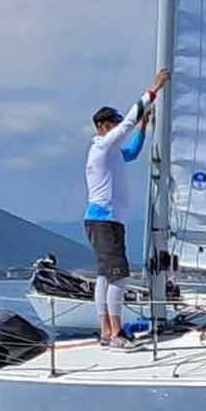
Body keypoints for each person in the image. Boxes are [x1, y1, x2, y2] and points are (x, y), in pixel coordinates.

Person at [84, 67, 170, 350]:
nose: (120, 127)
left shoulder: (110, 153)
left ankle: (107, 331)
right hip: (105, 220)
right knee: (118, 277)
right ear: (103, 126)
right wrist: (153, 89)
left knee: (105, 277)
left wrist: (144, 128)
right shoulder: (101, 146)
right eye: (116, 124)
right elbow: (126, 126)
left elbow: (131, 152)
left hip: (105, 220)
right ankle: (116, 333)